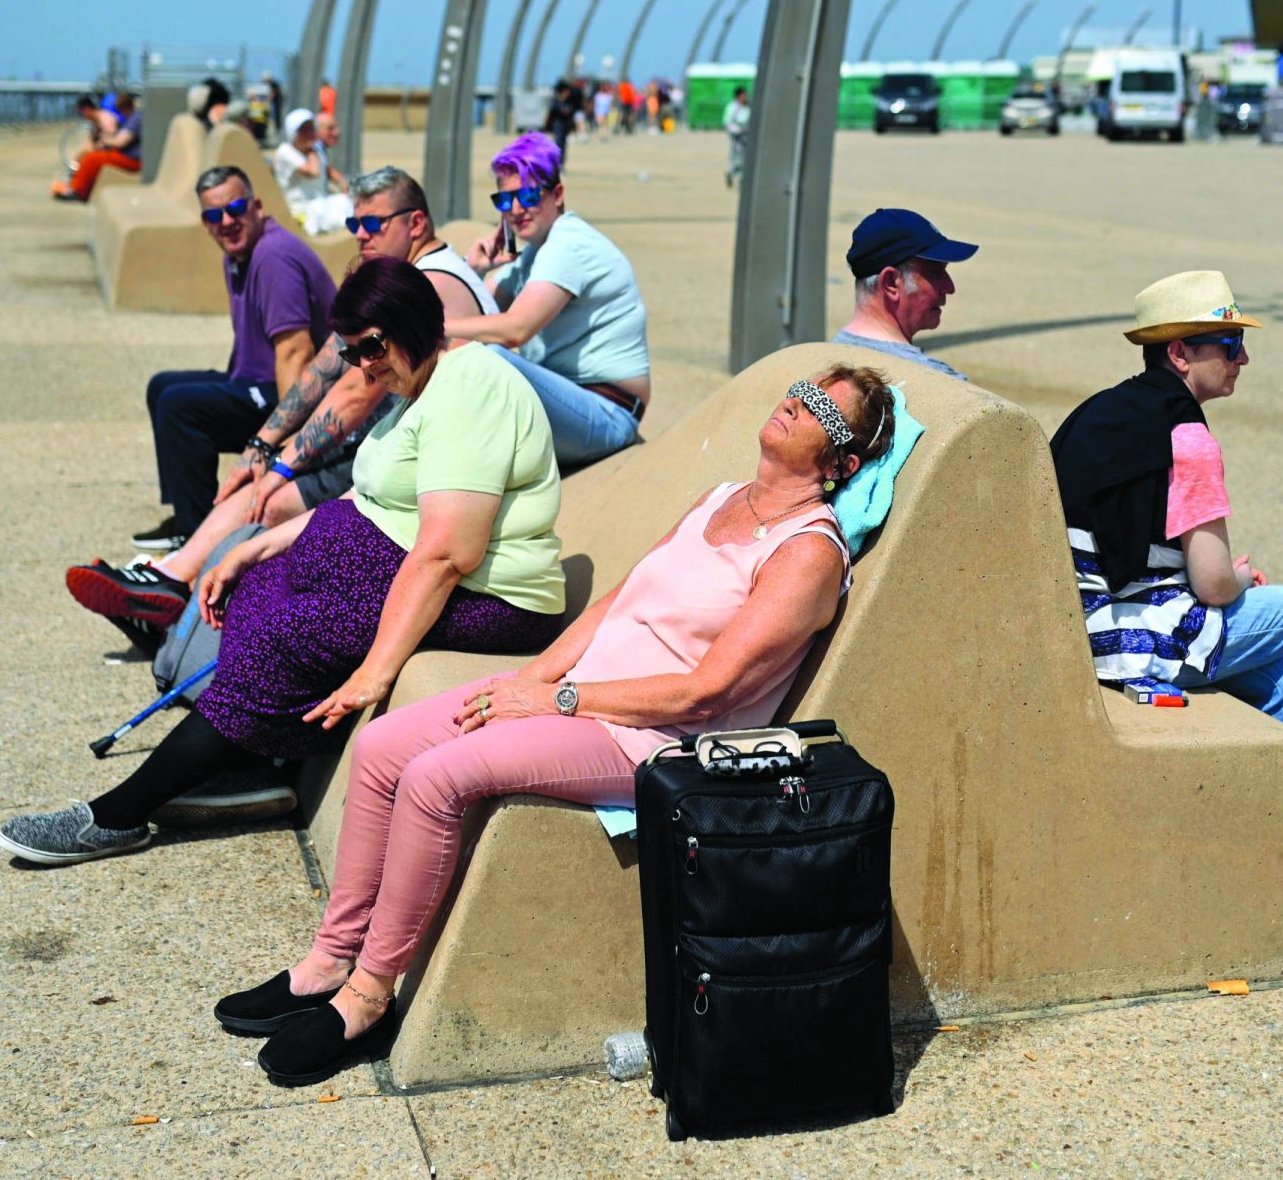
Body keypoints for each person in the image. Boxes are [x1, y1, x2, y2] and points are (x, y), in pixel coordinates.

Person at [211, 365, 899, 1086]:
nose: (795, 400)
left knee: (435, 777)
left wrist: (562, 701)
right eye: (800, 386)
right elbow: (616, 603)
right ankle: (329, 959)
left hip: (650, 738)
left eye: (820, 404)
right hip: (582, 692)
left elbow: (707, 690)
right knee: (383, 746)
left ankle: (368, 994)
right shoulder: (721, 498)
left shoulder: (808, 553)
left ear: (841, 463)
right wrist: (531, 679)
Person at [0, 259, 568, 861]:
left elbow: (449, 553)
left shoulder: (469, 387)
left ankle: (119, 813)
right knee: (260, 587)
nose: (365, 365)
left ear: (415, 322)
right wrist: (259, 543)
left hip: (492, 600)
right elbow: (372, 495)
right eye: (352, 355)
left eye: (372, 346)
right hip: (414, 570)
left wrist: (376, 670)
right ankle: (255, 758)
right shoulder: (417, 385)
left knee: (286, 633)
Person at [1050, 271, 1283, 874]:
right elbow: (1212, 585)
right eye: (1229, 345)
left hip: (1077, 619)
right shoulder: (1187, 432)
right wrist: (1236, 576)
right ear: (1180, 352)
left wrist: (1216, 577)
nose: (1244, 358)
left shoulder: (1098, 412)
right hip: (1131, 640)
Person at [66, 167, 498, 638]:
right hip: (391, 436)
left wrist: (280, 467)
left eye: (372, 225)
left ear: (415, 224)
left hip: (426, 456)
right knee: (255, 471)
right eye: (355, 224)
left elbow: (357, 392)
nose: (359, 236)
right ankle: (174, 580)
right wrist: (262, 445)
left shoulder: (425, 287)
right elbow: (325, 366)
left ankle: (177, 593)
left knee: (269, 501)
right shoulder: (404, 278)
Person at [134, 167, 331, 553]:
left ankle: (195, 539)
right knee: (163, 387)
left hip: (297, 399)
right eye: (213, 215)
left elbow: (297, 352)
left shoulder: (274, 257)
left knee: (181, 407)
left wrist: (287, 446)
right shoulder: (238, 255)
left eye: (236, 208)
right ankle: (186, 516)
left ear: (257, 206)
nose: (227, 222)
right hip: (254, 382)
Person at [448, 133, 649, 472]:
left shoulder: (567, 245)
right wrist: (478, 268)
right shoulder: (537, 253)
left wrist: (432, 327)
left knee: (492, 361)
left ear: (557, 195)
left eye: (526, 195)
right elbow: (482, 312)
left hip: (607, 413)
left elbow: (515, 330)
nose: (514, 209)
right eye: (504, 200)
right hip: (573, 405)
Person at [830, 208, 977, 381]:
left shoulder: (819, 361)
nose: (950, 287)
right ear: (891, 282)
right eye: (935, 274)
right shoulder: (943, 384)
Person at [273, 108, 351, 235]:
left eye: (311, 129)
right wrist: (312, 152)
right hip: (300, 210)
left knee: (348, 203)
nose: (309, 133)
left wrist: (343, 184)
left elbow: (327, 168)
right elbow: (313, 172)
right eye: (303, 130)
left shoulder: (315, 149)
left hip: (319, 203)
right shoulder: (286, 151)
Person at [54, 93, 141, 201]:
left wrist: (105, 141)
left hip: (132, 160)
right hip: (125, 155)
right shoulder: (131, 118)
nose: (118, 114)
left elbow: (120, 141)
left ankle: (78, 191)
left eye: (119, 110)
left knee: (92, 159)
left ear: (125, 107)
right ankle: (73, 186)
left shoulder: (135, 119)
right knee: (89, 157)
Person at [722, 86, 750, 188]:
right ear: (738, 96)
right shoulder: (732, 107)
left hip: (747, 136)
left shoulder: (747, 107)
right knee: (738, 160)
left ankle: (741, 182)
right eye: (743, 95)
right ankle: (731, 173)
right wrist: (738, 130)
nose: (745, 97)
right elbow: (727, 122)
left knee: (745, 160)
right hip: (737, 138)